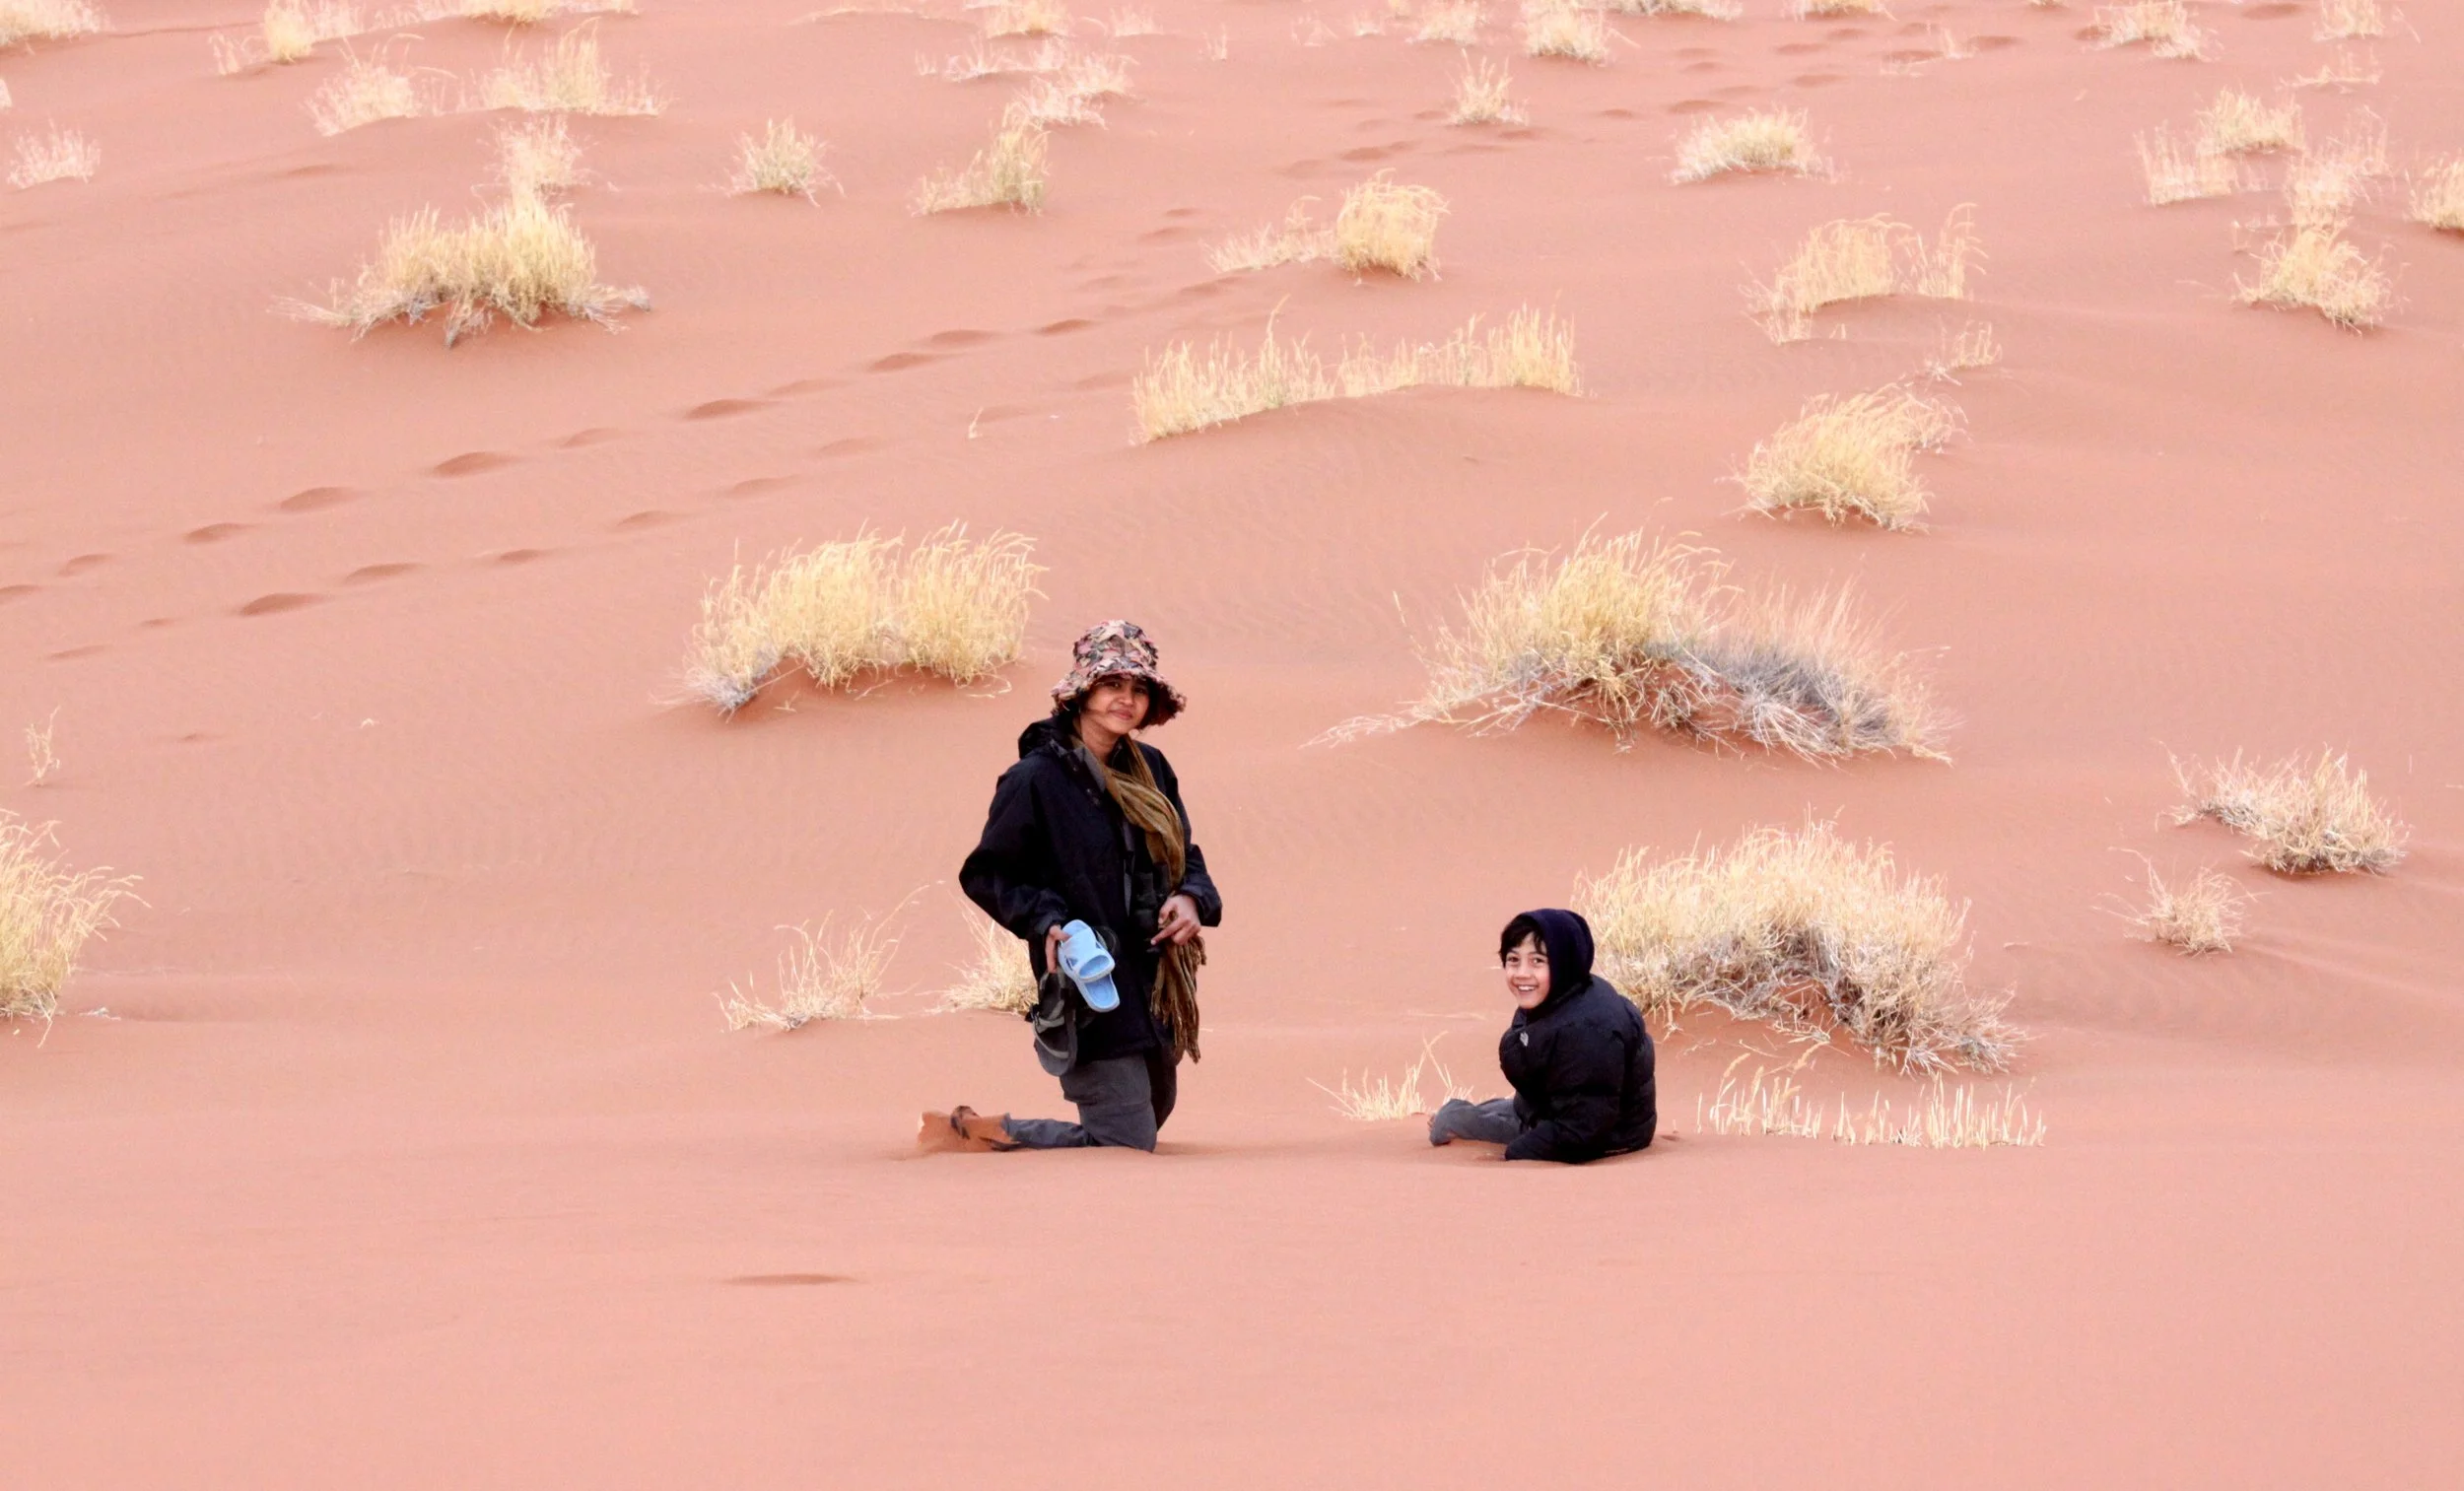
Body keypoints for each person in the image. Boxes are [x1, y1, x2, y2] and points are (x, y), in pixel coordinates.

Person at [923, 620, 1222, 1153]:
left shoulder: (1152, 769)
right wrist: (1047, 920)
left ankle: (987, 1130)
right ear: (1083, 693)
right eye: (1112, 685)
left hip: (1154, 979)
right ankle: (975, 1135)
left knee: (1152, 1115)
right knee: (1126, 1142)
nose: (1125, 699)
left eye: (1137, 688)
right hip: (1091, 979)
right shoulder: (1035, 779)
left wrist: (1190, 897)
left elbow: (1185, 853)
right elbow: (986, 874)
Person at [1427, 909, 1656, 1163]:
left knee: (1447, 1123)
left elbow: (1581, 1130)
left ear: (1564, 963)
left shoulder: (1587, 1030)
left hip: (1605, 1135)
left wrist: (1518, 1153)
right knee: (1468, 1114)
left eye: (1537, 961)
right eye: (1513, 960)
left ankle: (1452, 1118)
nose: (1522, 973)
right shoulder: (1564, 994)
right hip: (1556, 1111)